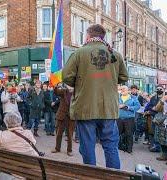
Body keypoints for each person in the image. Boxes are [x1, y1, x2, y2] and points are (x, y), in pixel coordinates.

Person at [62, 24, 128, 169]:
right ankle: (113, 178)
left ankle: (90, 177)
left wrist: (81, 81)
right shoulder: (115, 55)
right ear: (103, 37)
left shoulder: (79, 53)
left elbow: (66, 77)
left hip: (86, 108)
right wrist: (109, 78)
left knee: (88, 148)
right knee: (111, 147)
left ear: (88, 36)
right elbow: (124, 77)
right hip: (108, 109)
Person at [52, 83, 75, 156]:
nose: (70, 87)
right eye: (69, 85)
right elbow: (56, 92)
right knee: (59, 133)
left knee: (70, 135)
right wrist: (56, 86)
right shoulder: (63, 91)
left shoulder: (77, 93)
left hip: (71, 117)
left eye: (71, 86)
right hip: (62, 116)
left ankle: (69, 150)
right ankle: (57, 148)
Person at [117, 86, 141, 153]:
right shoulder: (117, 97)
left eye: (124, 89)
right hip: (119, 118)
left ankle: (129, 148)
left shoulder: (133, 98)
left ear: (128, 90)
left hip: (129, 118)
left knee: (129, 134)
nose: (122, 90)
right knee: (117, 133)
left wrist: (128, 107)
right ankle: (118, 147)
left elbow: (138, 106)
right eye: (121, 89)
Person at [144, 85, 165, 152]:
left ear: (163, 90)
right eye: (157, 89)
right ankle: (154, 145)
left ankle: (160, 148)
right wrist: (151, 109)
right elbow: (149, 106)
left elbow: (161, 108)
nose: (159, 90)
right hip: (153, 117)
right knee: (152, 131)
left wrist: (155, 108)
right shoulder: (153, 98)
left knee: (161, 133)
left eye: (160, 89)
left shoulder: (164, 98)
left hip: (162, 118)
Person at [153, 93, 167, 163]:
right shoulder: (162, 100)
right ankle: (164, 155)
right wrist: (162, 100)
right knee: (162, 140)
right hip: (163, 123)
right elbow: (156, 109)